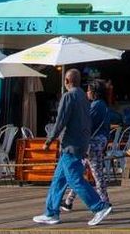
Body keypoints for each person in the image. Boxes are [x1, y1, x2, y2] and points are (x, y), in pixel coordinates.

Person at [33, 69, 113, 227]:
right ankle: (51, 213)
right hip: (81, 144)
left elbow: (60, 121)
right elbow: (88, 122)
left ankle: (99, 206)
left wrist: (49, 140)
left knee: (74, 179)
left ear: (67, 81)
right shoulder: (83, 97)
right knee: (59, 179)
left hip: (71, 145)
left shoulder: (68, 96)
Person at [60, 80, 112, 213]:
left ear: (94, 92)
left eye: (88, 90)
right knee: (80, 173)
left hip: (92, 143)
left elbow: (86, 124)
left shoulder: (96, 105)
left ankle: (105, 202)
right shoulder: (103, 105)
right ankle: (69, 201)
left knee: (95, 174)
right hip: (99, 142)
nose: (87, 93)